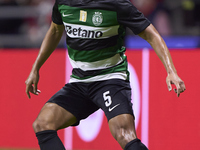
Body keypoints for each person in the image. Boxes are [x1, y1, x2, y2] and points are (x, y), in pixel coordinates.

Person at [25, 0, 186, 149]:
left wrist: (171, 71)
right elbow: (54, 31)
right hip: (79, 82)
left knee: (124, 134)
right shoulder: (64, 2)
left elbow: (151, 34)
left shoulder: (115, 4)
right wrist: (35, 68)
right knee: (42, 124)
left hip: (110, 79)